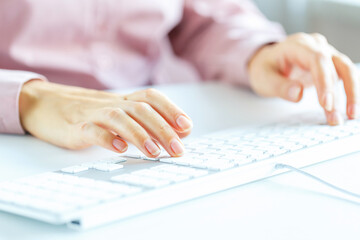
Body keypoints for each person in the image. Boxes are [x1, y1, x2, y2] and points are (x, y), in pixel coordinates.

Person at [0, 0, 358, 158]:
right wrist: (29, 98)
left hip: (153, 127)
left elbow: (204, 18)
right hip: (21, 140)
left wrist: (259, 52)